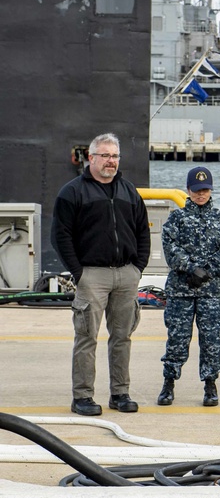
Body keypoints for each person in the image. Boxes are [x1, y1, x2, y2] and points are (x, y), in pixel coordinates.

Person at [51, 133, 150, 416]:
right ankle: (82, 396)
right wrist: (79, 273)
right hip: (92, 275)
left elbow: (142, 230)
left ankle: (120, 393)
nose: (111, 161)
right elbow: (61, 236)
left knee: (122, 337)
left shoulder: (129, 191)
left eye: (115, 156)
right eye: (105, 155)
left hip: (126, 274)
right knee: (87, 337)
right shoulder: (73, 192)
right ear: (91, 158)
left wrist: (137, 268)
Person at [157, 167, 220, 407]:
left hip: (211, 293)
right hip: (181, 291)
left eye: (205, 190)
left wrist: (205, 273)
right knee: (177, 339)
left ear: (210, 191)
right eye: (196, 190)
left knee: (211, 339)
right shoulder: (176, 218)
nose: (201, 194)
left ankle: (210, 384)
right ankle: (168, 383)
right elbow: (170, 248)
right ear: (188, 190)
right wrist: (191, 269)